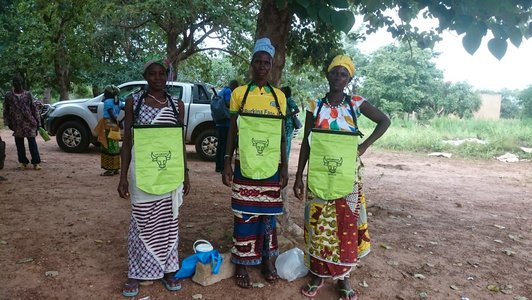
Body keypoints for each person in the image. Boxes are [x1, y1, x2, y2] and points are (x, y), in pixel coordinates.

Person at [293, 55, 390, 300]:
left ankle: (344, 278)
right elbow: (306, 142)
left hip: (348, 176)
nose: (338, 77)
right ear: (327, 75)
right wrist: (298, 176)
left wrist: (363, 147)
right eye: (334, 73)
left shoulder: (356, 103)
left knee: (346, 225)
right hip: (318, 175)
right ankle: (317, 274)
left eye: (343, 74)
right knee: (318, 223)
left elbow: (384, 120)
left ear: (349, 79)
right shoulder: (314, 106)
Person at [117, 59, 191, 297]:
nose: (157, 77)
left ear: (167, 76)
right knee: (141, 221)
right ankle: (136, 273)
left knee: (169, 222)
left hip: (170, 173)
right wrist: (122, 177)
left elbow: (179, 141)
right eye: (152, 73)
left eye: (161, 73)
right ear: (146, 76)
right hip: (143, 172)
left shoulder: (176, 104)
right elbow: (127, 141)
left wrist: (185, 173)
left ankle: (169, 269)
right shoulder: (134, 102)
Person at [222, 37, 288, 288]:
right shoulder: (239, 94)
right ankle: (241, 263)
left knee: (268, 216)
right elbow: (232, 131)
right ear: (251, 64)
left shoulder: (279, 97)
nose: (262, 66)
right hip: (245, 162)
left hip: (271, 164)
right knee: (244, 215)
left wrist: (284, 166)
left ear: (271, 66)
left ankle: (267, 260)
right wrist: (227, 161)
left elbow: (281, 134)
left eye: (266, 63)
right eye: (258, 62)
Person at [3, 76, 42, 170]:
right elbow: (6, 110)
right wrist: (8, 123)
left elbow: (34, 108)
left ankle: (36, 163)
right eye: (15, 82)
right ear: (13, 84)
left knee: (32, 143)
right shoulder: (9, 96)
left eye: (19, 82)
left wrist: (38, 123)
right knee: (19, 144)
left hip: (30, 122)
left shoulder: (28, 94)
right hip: (16, 123)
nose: (17, 84)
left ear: (22, 83)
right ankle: (23, 162)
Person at [95, 85, 124, 176]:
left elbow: (111, 114)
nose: (104, 93)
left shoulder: (107, 102)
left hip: (107, 125)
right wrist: (121, 121)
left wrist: (118, 120)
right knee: (114, 145)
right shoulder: (119, 102)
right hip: (115, 126)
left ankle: (110, 169)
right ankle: (115, 168)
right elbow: (128, 108)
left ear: (109, 93)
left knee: (107, 145)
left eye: (105, 91)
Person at [214, 79, 239, 172]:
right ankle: (222, 166)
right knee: (225, 145)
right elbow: (229, 103)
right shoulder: (228, 91)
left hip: (220, 121)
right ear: (234, 86)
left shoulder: (222, 91)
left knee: (220, 145)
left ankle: (218, 166)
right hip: (226, 122)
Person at [280, 86, 300, 161]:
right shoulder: (282, 99)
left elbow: (297, 110)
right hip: (283, 123)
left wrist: (287, 115)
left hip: (288, 124)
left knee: (287, 141)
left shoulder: (289, 100)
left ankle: (286, 160)